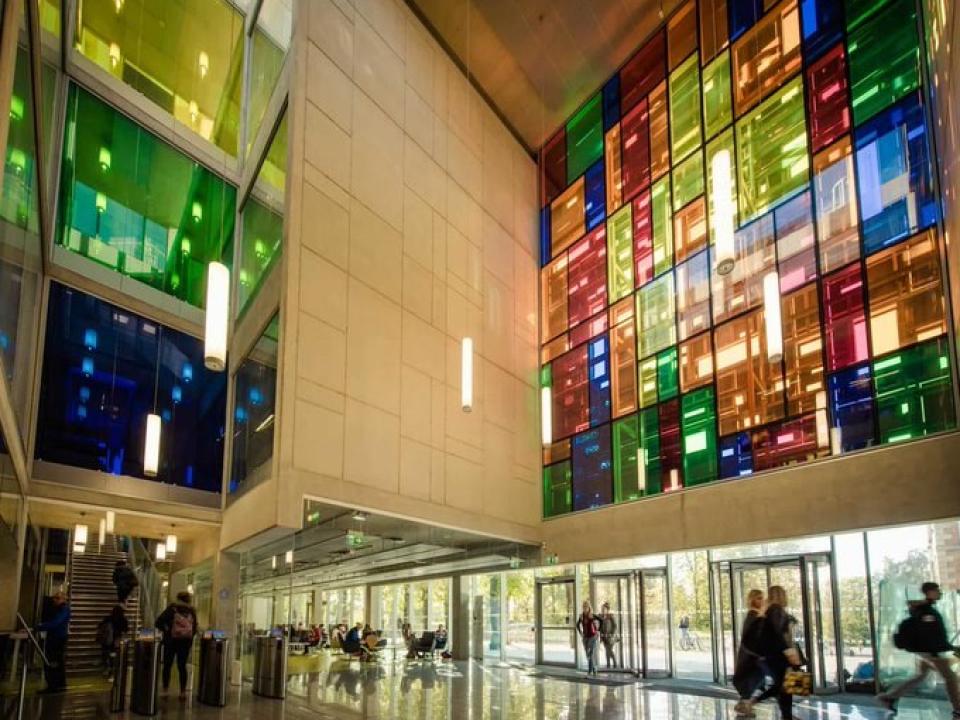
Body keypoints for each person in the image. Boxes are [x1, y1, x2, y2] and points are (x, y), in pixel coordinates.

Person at [878, 581, 960, 718]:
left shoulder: (925, 608)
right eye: (937, 590)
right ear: (929, 592)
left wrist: (949, 647)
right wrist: (949, 647)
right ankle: (958, 708)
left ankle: (889, 697)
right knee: (951, 678)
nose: (940, 592)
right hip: (930, 652)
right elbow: (929, 636)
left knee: (919, 677)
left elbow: (933, 635)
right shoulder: (926, 611)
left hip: (926, 652)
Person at [748, 586, 800, 719]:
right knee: (784, 686)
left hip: (773, 654)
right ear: (781, 595)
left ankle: (786, 715)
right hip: (778, 655)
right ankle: (755, 701)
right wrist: (790, 653)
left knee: (784, 686)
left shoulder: (771, 610)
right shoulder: (776, 610)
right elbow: (778, 634)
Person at [155, 591, 198, 701]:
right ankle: (182, 692)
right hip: (185, 643)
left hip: (171, 642)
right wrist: (189, 638)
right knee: (182, 666)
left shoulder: (172, 609)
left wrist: (167, 630)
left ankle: (165, 690)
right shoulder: (192, 611)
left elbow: (158, 622)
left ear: (178, 598)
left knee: (167, 666)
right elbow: (195, 628)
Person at [733, 589, 766, 716]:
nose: (762, 600)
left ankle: (744, 704)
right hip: (753, 656)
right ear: (752, 600)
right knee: (755, 679)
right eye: (758, 598)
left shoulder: (755, 615)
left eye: (762, 598)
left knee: (756, 680)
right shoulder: (753, 616)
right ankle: (744, 704)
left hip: (752, 655)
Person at [37, 591, 70, 693]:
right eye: (54, 598)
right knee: (56, 662)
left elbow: (55, 623)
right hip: (55, 637)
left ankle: (54, 685)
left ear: (64, 599)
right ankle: (58, 684)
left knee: (54, 662)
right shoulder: (57, 609)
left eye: (57, 598)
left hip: (57, 639)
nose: (54, 600)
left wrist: (39, 627)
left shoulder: (63, 609)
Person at [97, 604, 129, 676]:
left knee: (106, 654)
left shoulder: (108, 618)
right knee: (114, 655)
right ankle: (113, 669)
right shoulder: (123, 620)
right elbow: (126, 630)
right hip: (116, 642)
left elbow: (100, 626)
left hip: (107, 641)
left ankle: (107, 668)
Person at [576, 601, 601, 676]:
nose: (585, 608)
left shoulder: (592, 615)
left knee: (590, 653)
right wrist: (581, 633)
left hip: (593, 637)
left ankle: (590, 670)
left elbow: (601, 620)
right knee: (588, 654)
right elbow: (577, 625)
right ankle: (594, 668)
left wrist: (598, 631)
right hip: (585, 637)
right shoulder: (581, 616)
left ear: (589, 607)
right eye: (583, 607)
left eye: (586, 607)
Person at [599, 603, 618, 669]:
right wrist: (601, 637)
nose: (603, 610)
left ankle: (614, 663)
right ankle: (608, 664)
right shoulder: (601, 617)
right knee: (607, 650)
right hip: (604, 636)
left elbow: (615, 626)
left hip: (611, 637)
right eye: (602, 609)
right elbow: (600, 627)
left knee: (609, 650)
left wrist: (611, 634)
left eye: (604, 609)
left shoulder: (611, 616)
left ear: (607, 610)